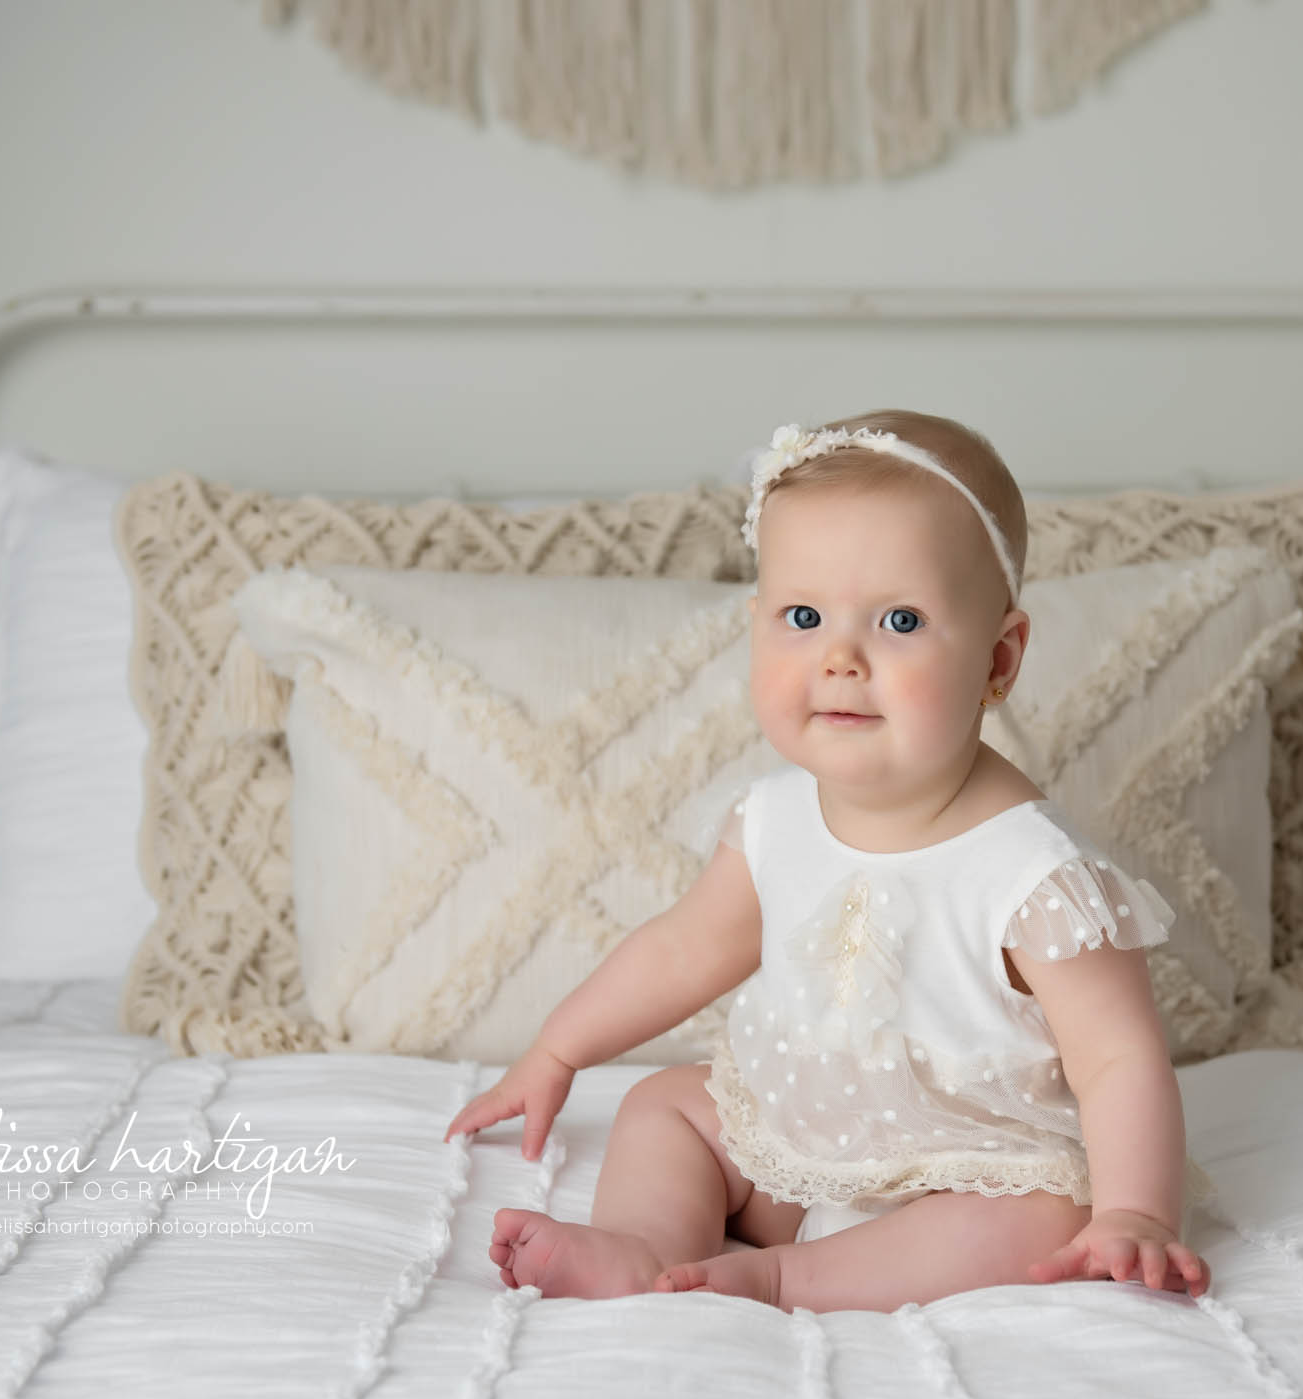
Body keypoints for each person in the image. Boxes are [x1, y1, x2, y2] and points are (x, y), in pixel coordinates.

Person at [443, 409, 1213, 1312]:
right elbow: (683, 948)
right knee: (665, 1104)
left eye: (900, 619)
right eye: (803, 616)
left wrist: (1136, 1212)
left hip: (961, 1170)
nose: (841, 658)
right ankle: (645, 1245)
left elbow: (1120, 1060)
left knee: (1052, 1213)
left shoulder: (1032, 873)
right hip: (792, 1140)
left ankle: (783, 1276)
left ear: (998, 659)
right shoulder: (772, 818)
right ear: (757, 625)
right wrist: (556, 1049)